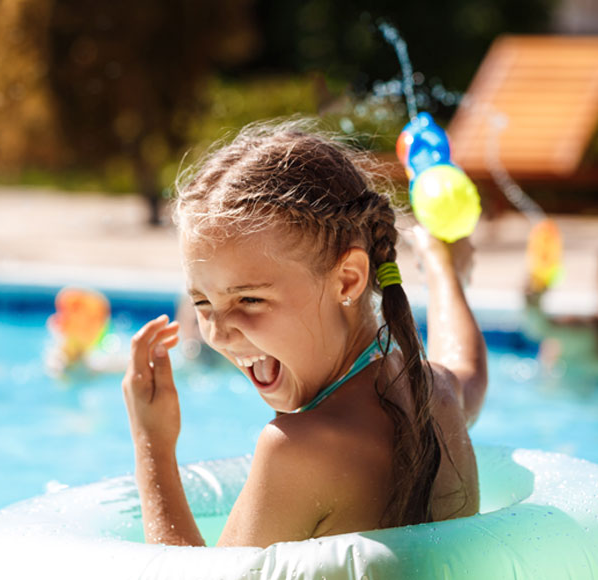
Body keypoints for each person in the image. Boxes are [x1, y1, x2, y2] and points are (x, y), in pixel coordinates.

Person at [122, 120, 488, 548]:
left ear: (349, 280)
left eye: (249, 300)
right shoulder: (432, 393)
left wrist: (154, 447)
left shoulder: (297, 450)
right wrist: (445, 268)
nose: (217, 334)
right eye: (202, 304)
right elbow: (468, 371)